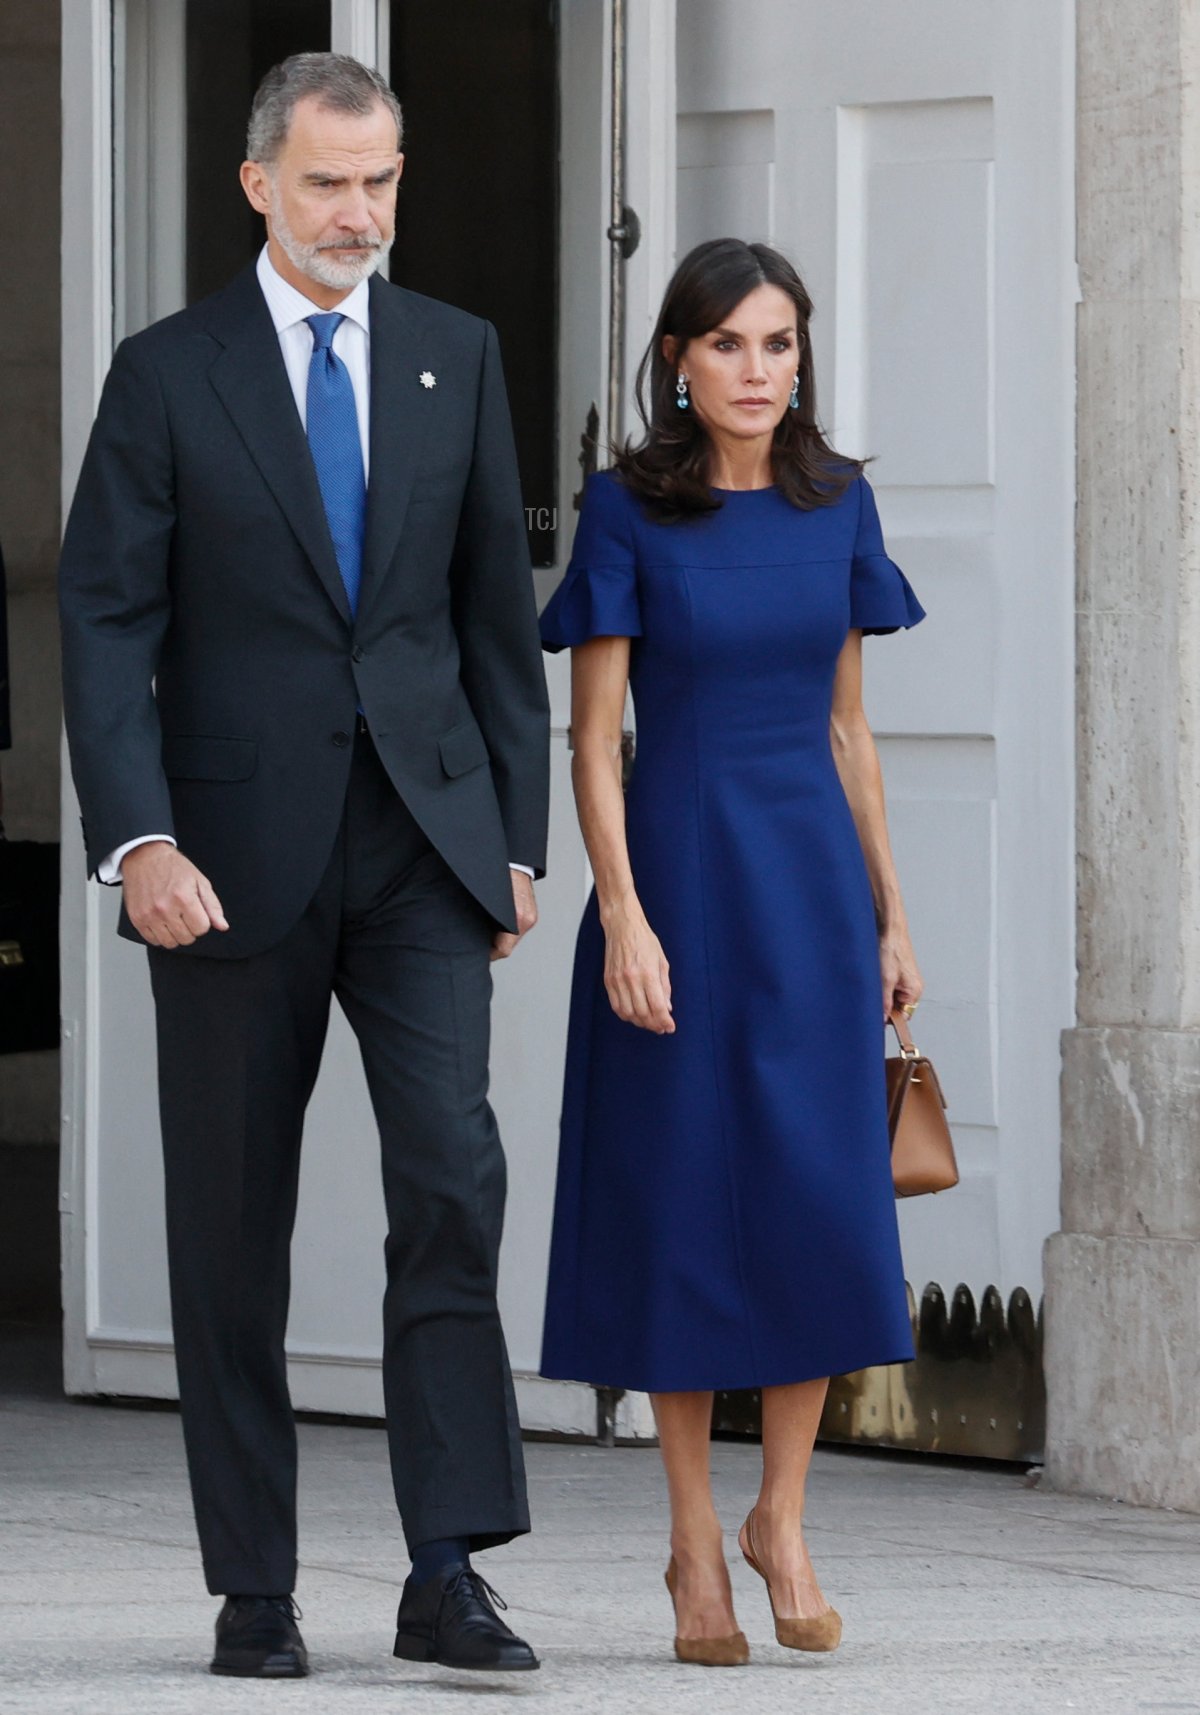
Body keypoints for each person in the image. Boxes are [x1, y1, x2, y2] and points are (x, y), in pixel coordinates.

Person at [59, 53, 548, 1680]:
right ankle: (252, 1586)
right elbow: (104, 620)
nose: (362, 213)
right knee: (229, 1230)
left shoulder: (455, 356)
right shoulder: (164, 374)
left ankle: (446, 1568)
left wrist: (516, 844)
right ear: (258, 183)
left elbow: (493, 621)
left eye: (384, 180)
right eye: (331, 182)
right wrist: (138, 841)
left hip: (421, 848)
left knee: (452, 1184)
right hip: (223, 861)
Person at [539, 237, 925, 1667]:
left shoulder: (840, 506)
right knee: (689, 1210)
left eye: (779, 343)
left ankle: (785, 1520)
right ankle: (696, 1545)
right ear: (677, 365)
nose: (758, 370)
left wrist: (891, 915)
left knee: (823, 1201)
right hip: (683, 886)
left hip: (811, 892)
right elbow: (594, 741)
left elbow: (848, 729)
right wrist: (624, 914)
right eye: (729, 345)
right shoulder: (628, 511)